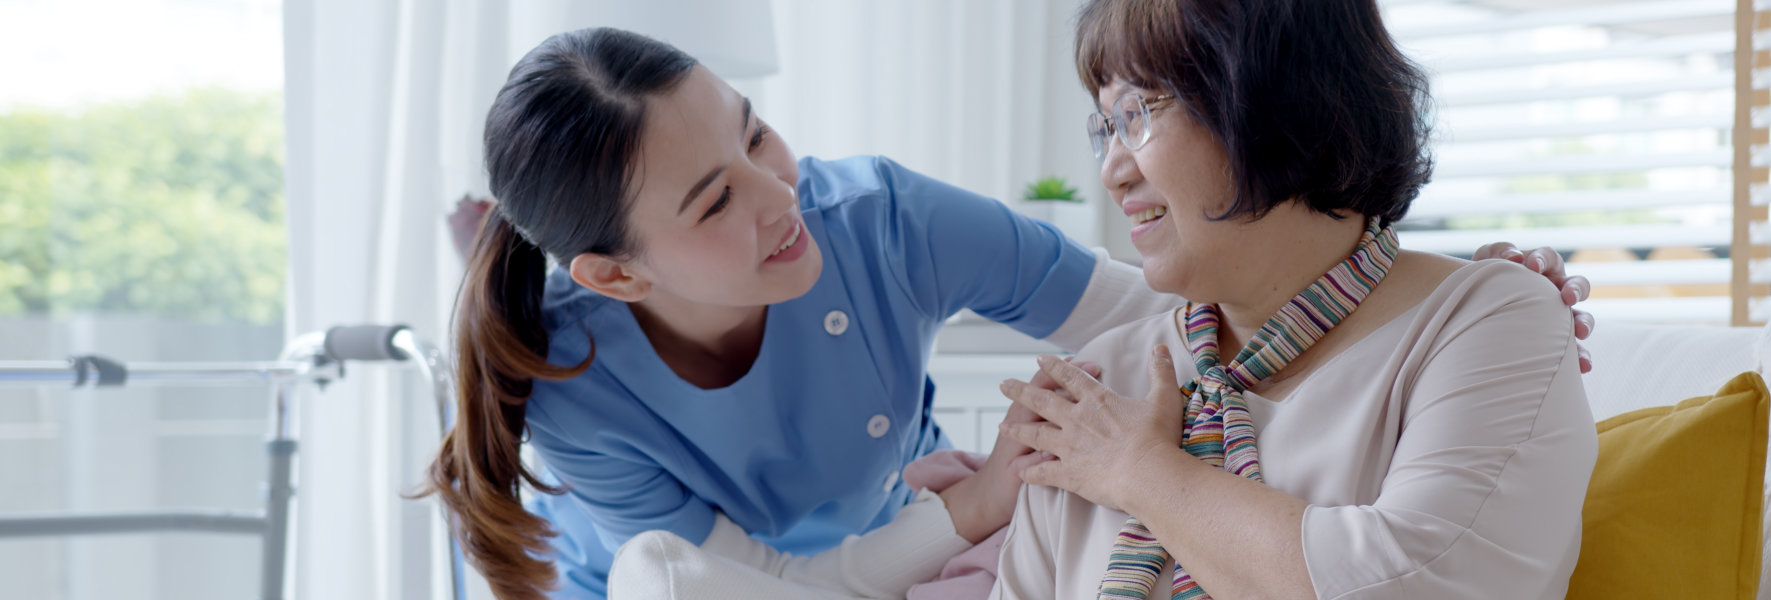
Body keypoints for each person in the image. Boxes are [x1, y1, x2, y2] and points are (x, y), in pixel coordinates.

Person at [421, 27, 1597, 600]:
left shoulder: (881, 220)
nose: (784, 195)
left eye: (756, 135)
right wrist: (988, 497)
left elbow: (1178, 306)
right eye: (719, 197)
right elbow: (763, 584)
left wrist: (1437, 285)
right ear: (616, 274)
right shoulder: (572, 383)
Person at [989, 1, 1598, 598]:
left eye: (1136, 113)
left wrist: (1144, 475)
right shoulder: (1100, 382)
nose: (1112, 171)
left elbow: (1419, 583)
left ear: (1277, 100)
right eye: (1106, 128)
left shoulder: (1486, 320)